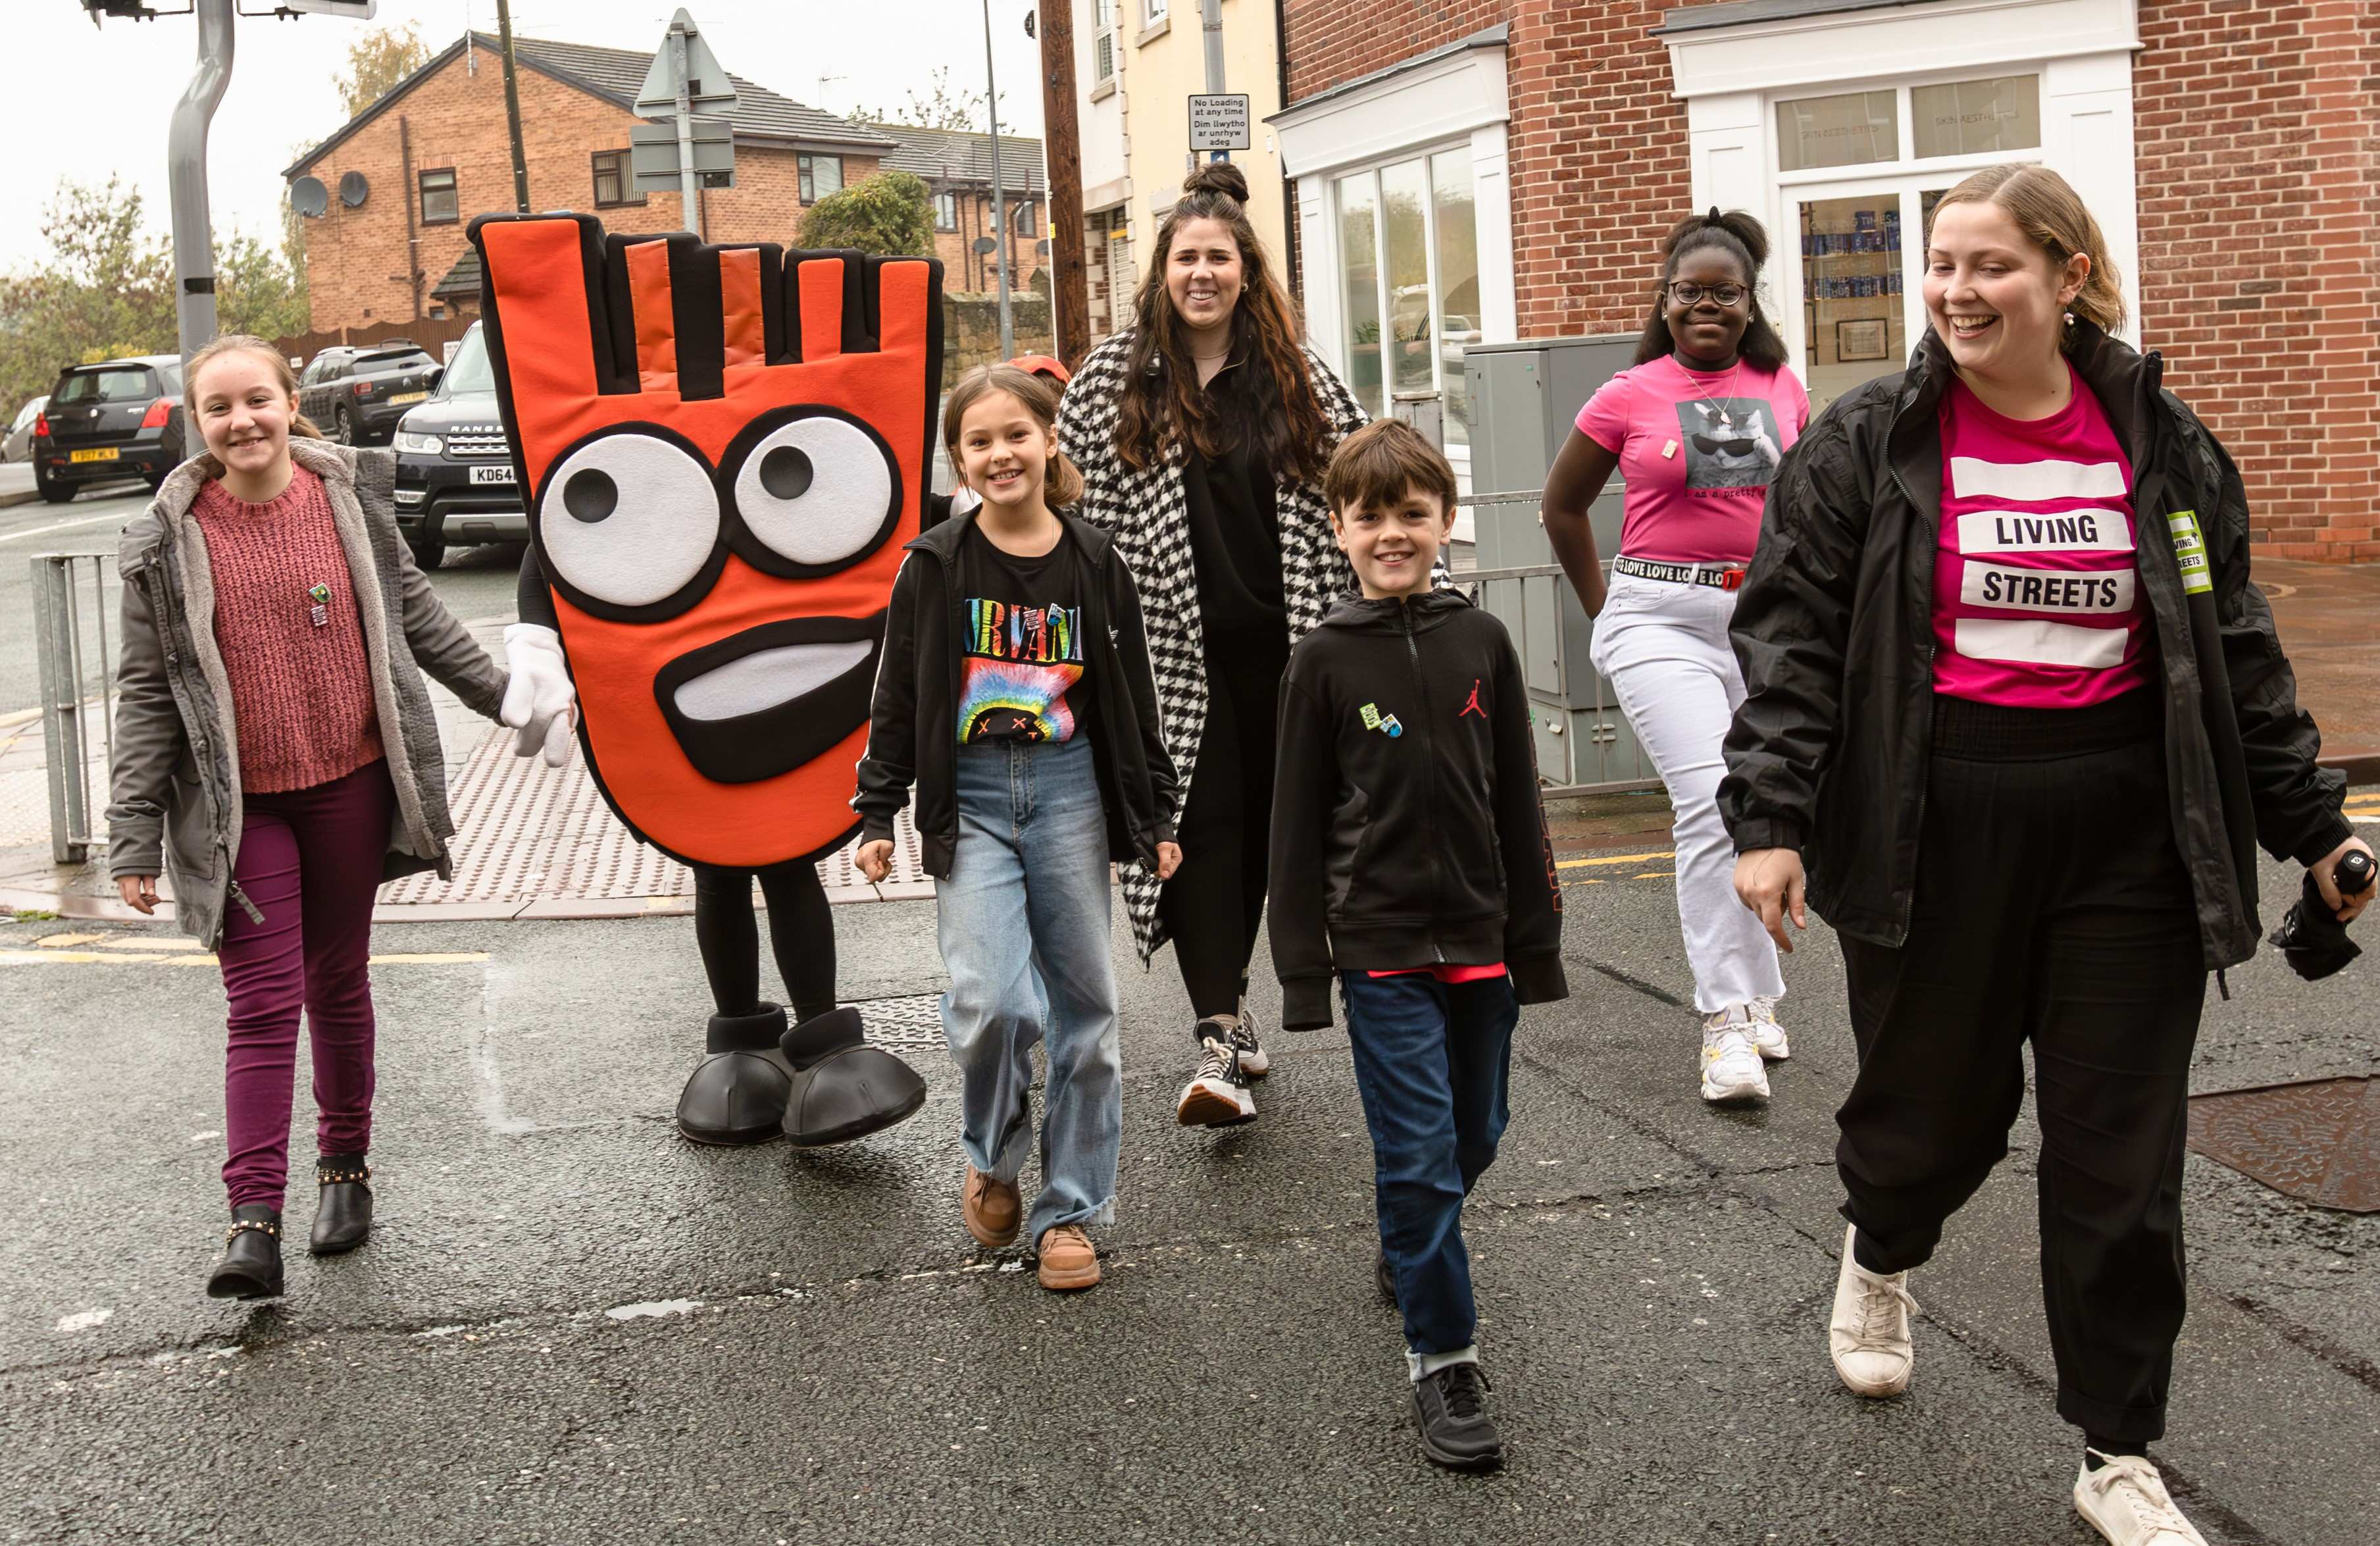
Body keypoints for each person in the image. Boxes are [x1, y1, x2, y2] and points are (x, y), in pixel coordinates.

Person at [1721, 165, 2373, 1546]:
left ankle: (2118, 1451)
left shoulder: (2161, 444)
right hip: (1933, 824)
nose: (1957, 290)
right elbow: (1790, 643)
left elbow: (2231, 649)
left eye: (1990, 265)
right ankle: (1884, 1243)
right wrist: (1770, 818)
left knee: (2121, 1166)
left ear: (2068, 278)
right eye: (1942, 263)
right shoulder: (1867, 443)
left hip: (2126, 838)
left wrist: (2313, 820)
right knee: (1931, 1124)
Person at [105, 333, 573, 1301]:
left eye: (256, 401)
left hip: (349, 782)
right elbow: (147, 693)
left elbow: (419, 617)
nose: (241, 421)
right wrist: (132, 831)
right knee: (263, 1004)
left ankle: (346, 1169)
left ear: (289, 405)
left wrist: (506, 699)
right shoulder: (167, 539)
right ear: (201, 425)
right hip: (240, 808)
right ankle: (253, 1220)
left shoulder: (348, 501)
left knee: (337, 979)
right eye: (218, 408)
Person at [472, 217, 934, 1152]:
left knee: (782, 855)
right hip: (684, 718)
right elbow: (558, 544)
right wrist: (536, 641)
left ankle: (815, 1033)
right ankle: (742, 1040)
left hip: (798, 691)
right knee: (719, 860)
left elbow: (909, 525)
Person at [1268, 419, 1567, 1472]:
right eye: (1369, 516)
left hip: (1482, 938)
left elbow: (1519, 802)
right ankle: (1443, 1354)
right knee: (1420, 1155)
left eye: (1411, 513)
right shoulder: (1319, 659)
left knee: (1474, 1134)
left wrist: (1537, 941)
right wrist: (1304, 967)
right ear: (1339, 530)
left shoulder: (1480, 640)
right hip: (1379, 946)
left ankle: (1409, 1235)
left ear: (1445, 522)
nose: (1391, 532)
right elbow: (1294, 827)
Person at [854, 365, 1181, 1292]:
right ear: (960, 459)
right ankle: (994, 1151)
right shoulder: (935, 564)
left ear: (1049, 441)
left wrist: (1153, 810)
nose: (1000, 454)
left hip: (1072, 790)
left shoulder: (1094, 559)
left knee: (1088, 1013)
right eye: (979, 442)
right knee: (995, 1002)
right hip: (974, 798)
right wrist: (877, 806)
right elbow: (898, 694)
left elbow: (1132, 695)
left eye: (1015, 435)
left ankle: (1070, 1208)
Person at [1059, 161, 1369, 1129]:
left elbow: (1363, 488)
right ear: (1161, 272)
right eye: (1186, 257)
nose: (1203, 273)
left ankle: (1232, 1012)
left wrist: (1420, 606)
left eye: (1219, 257)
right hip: (1164, 657)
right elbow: (1070, 515)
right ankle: (1219, 1031)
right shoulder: (1115, 377)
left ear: (1247, 270)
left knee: (1274, 841)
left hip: (1291, 651)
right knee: (1190, 837)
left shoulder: (1296, 373)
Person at [1542, 209, 1808, 1106]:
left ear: (1746, 301)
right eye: (1689, 291)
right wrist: (1606, 609)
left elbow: (1803, 512)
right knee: (1707, 800)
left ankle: (1761, 993)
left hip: (1760, 620)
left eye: (1723, 293)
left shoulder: (1780, 385)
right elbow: (1561, 506)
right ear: (1664, 298)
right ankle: (1725, 1019)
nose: (1706, 305)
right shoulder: (1627, 390)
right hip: (1657, 615)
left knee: (1764, 803)